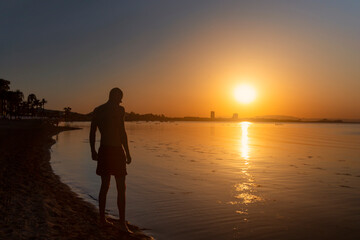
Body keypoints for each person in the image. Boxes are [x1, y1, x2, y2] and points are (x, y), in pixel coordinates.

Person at [89, 88, 132, 233]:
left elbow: (122, 131)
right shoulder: (101, 110)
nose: (120, 101)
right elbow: (92, 131)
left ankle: (121, 222)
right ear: (114, 96)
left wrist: (127, 151)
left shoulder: (112, 110)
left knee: (120, 187)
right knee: (106, 185)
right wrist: (92, 150)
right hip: (107, 150)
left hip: (115, 150)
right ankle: (103, 219)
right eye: (119, 97)